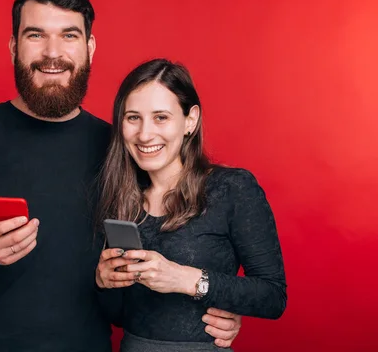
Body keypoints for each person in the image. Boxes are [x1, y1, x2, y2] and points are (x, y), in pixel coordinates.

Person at [0, 0, 242, 352]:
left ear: (89, 47)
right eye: (35, 35)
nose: (53, 53)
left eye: (68, 35)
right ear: (14, 47)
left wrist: (206, 312)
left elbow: (148, 273)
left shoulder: (121, 148)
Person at [95, 58, 287, 351]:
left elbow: (273, 297)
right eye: (133, 117)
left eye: (161, 117)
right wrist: (105, 283)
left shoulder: (231, 188)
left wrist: (188, 280)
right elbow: (120, 316)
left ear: (190, 120)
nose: (145, 134)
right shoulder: (121, 198)